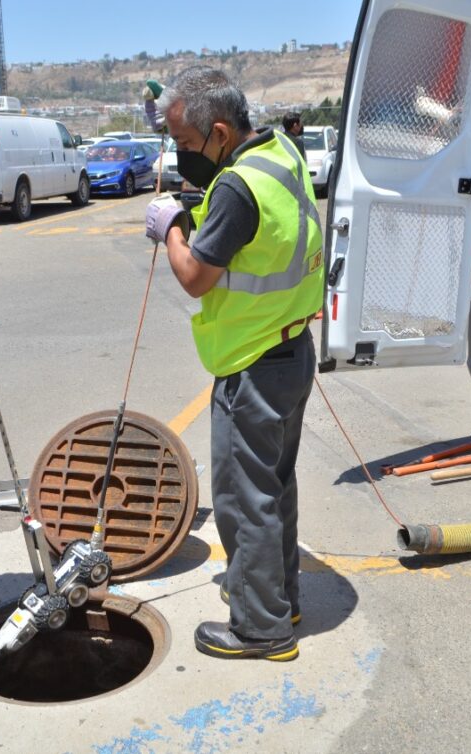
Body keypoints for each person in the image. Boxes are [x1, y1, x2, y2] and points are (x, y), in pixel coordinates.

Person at [144, 67, 324, 662]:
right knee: (274, 489)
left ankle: (260, 629)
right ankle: (281, 600)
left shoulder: (236, 189)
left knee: (246, 501)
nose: (179, 154)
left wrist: (171, 227)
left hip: (253, 366)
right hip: (292, 351)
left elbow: (195, 276)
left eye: (186, 145)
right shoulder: (282, 152)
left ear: (220, 132)